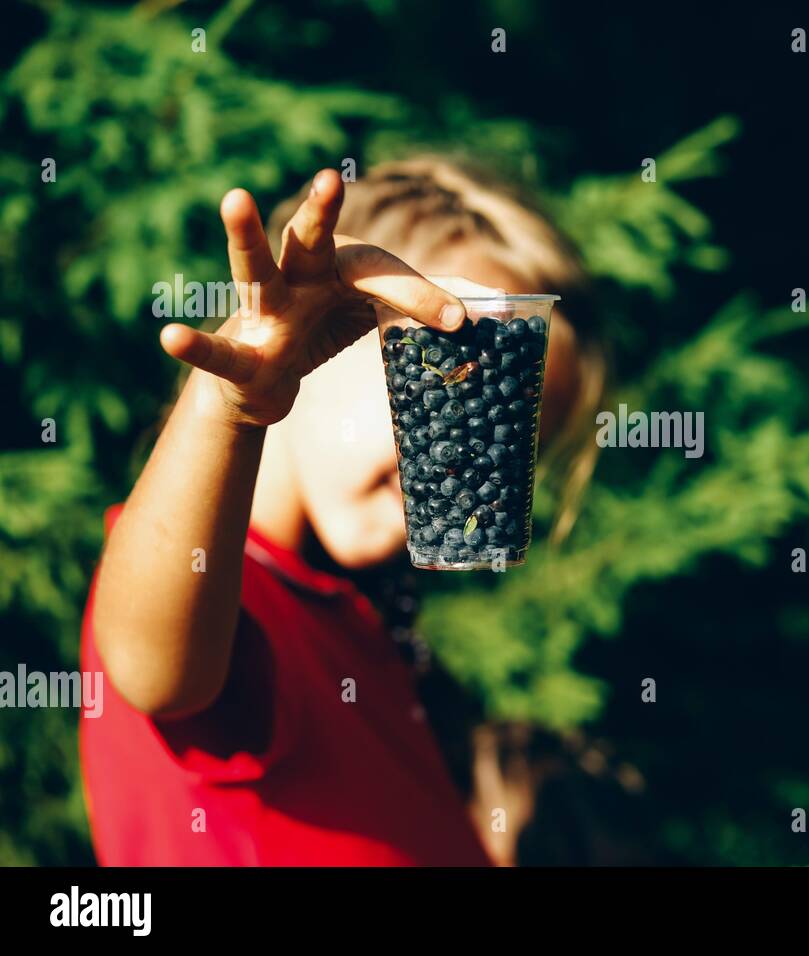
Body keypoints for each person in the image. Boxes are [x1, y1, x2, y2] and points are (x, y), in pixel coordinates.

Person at [80, 158, 604, 865]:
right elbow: (154, 671)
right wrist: (226, 405)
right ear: (324, 332)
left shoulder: (361, 624)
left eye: (509, 434)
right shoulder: (227, 596)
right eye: (455, 393)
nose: (470, 462)